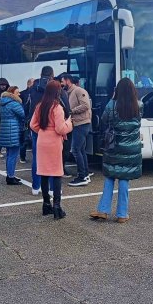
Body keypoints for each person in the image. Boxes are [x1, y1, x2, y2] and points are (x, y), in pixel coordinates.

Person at [90, 78, 142, 223]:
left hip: (113, 146)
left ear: (117, 90)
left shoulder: (111, 105)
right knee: (125, 178)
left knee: (110, 176)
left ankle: (103, 210)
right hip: (132, 147)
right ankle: (122, 214)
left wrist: (113, 98)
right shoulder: (139, 105)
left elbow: (104, 120)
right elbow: (138, 123)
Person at [24, 66, 70, 196]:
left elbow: (28, 109)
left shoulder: (33, 87)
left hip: (38, 130)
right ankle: (52, 189)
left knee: (37, 158)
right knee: (54, 160)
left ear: (41, 74)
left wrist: (40, 130)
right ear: (52, 74)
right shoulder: (56, 89)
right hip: (54, 130)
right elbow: (66, 108)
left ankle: (35, 187)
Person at [30, 80, 72, 219]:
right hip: (54, 142)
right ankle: (57, 207)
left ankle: (46, 204)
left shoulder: (39, 106)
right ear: (57, 92)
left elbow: (32, 124)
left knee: (44, 173)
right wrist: (69, 123)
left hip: (42, 140)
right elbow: (60, 128)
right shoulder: (57, 107)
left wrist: (43, 131)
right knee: (56, 173)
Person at [61, 74, 93, 186]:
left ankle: (82, 176)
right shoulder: (69, 92)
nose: (61, 83)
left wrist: (71, 111)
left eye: (62, 81)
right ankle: (85, 174)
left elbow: (85, 105)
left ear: (68, 80)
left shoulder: (79, 91)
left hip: (81, 123)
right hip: (77, 124)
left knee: (75, 149)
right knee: (81, 150)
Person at [0, 86, 25, 185]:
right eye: (17, 92)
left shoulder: (3, 102)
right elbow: (23, 114)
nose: (19, 94)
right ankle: (10, 177)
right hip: (13, 130)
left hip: (6, 130)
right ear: (12, 94)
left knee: (9, 154)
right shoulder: (14, 103)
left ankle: (10, 175)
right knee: (13, 155)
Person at [18, 78, 34, 163]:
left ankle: (23, 157)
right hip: (26, 119)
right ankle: (22, 157)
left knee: (26, 139)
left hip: (28, 119)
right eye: (33, 83)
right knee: (25, 139)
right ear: (28, 84)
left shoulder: (24, 93)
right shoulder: (24, 94)